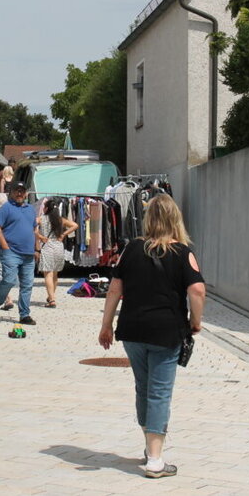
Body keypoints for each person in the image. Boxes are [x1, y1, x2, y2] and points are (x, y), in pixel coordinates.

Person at [98, 195, 206, 479]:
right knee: (159, 392)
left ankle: (150, 446)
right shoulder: (183, 253)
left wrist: (106, 325)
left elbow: (114, 290)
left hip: (132, 330)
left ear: (149, 220)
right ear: (175, 219)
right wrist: (196, 322)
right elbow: (197, 291)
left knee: (143, 388)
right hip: (166, 332)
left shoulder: (131, 249)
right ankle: (155, 460)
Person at [0, 183, 38, 325]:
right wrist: (5, 246)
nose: (20, 194)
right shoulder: (6, 208)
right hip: (11, 252)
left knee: (27, 285)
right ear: (12, 192)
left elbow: (35, 230)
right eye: (17, 191)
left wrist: (37, 249)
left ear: (26, 193)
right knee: (9, 280)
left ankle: (24, 314)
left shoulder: (30, 209)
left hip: (28, 253)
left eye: (22, 191)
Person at [36, 198, 78, 308]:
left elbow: (31, 227)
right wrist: (64, 234)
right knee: (55, 274)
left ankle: (52, 299)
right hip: (59, 246)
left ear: (46, 208)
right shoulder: (60, 220)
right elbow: (75, 225)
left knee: (48, 274)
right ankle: (51, 296)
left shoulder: (41, 219)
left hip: (48, 246)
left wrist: (40, 236)